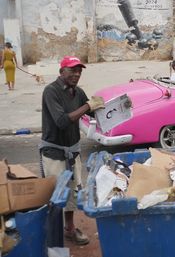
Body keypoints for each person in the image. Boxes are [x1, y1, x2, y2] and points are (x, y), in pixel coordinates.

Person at [40, 56, 106, 246]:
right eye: (72, 70)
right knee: (56, 196)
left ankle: (69, 229)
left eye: (79, 71)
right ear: (62, 72)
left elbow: (91, 110)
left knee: (73, 194)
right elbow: (61, 121)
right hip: (54, 152)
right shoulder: (50, 91)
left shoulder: (77, 92)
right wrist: (87, 106)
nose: (76, 74)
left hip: (73, 151)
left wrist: (111, 107)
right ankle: (53, 236)